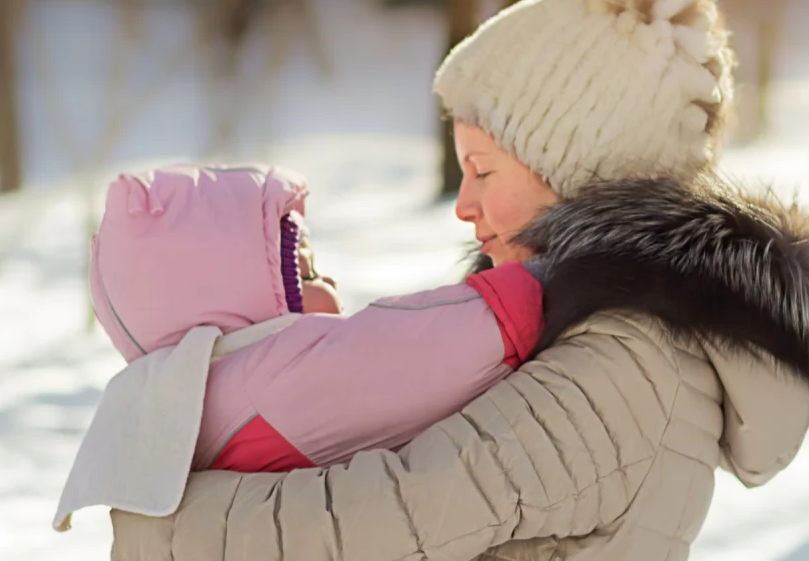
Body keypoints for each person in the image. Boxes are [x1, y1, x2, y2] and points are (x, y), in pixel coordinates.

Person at [107, 0, 809, 560]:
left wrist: (161, 528)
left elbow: (394, 513)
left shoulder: (627, 365)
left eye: (484, 170)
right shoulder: (585, 333)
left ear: (576, 170)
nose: (463, 206)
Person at [52, 163, 544, 531]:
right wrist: (547, 274)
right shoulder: (274, 379)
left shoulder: (179, 402)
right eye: (307, 271)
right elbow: (439, 342)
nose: (329, 281)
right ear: (240, 295)